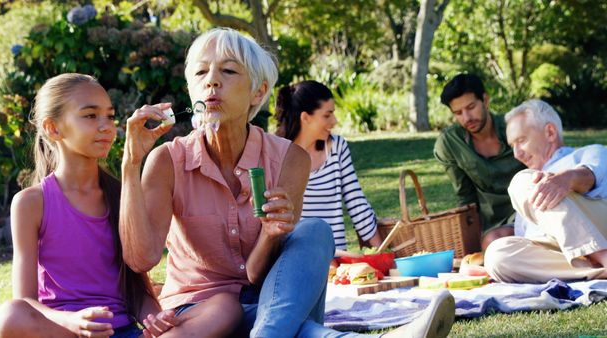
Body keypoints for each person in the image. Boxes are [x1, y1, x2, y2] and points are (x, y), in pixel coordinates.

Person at [120, 27, 455, 337]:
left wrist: (269, 235)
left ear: (258, 91)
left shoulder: (290, 159)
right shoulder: (167, 161)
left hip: (274, 301)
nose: (212, 81)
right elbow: (141, 259)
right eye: (201, 72)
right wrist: (131, 163)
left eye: (228, 71)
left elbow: (255, 275)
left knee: (314, 231)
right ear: (192, 89)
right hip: (202, 316)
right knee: (297, 330)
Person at [0, 73, 170, 338]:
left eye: (110, 116)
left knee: (215, 314)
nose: (106, 126)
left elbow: (136, 287)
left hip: (120, 331)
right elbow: (25, 301)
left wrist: (155, 318)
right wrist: (72, 322)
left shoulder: (121, 194)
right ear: (53, 128)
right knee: (8, 316)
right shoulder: (30, 203)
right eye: (90, 116)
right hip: (62, 331)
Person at [484, 99, 607, 283]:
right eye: (512, 146)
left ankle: (602, 257)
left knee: (521, 181)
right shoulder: (531, 182)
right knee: (496, 256)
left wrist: (567, 179)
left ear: (550, 132)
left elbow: (589, 176)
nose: (517, 153)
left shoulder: (588, 153)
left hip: (599, 227)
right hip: (563, 250)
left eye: (521, 140)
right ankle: (597, 271)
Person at [274, 80, 383, 252]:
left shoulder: (337, 147)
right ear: (305, 118)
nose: (334, 121)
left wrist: (382, 253)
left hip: (337, 261)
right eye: (327, 115)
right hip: (294, 262)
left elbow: (357, 203)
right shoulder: (276, 155)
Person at [434, 73, 525, 249]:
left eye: (471, 107)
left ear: (485, 100)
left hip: (529, 211)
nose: (467, 118)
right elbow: (465, 197)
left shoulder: (515, 127)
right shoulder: (450, 143)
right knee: (490, 244)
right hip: (491, 224)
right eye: (458, 113)